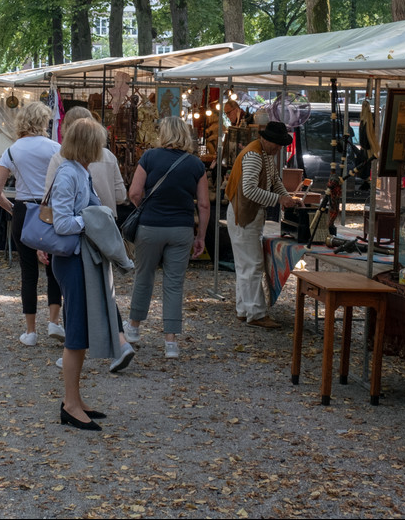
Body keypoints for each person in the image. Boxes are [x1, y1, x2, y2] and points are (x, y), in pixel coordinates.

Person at [50, 118, 128, 431]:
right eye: (98, 142)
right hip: (72, 261)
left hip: (79, 260)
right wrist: (92, 221)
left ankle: (75, 400)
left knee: (79, 335)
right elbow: (62, 224)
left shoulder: (80, 171)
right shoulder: (69, 173)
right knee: (76, 334)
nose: (102, 148)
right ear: (88, 144)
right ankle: (70, 404)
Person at [124, 115, 210, 358]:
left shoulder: (149, 157)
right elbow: (204, 205)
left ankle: (133, 328)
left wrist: (146, 207)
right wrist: (200, 235)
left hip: (150, 227)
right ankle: (170, 342)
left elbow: (134, 192)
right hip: (181, 229)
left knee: (144, 276)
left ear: (163, 134)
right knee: (174, 284)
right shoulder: (195, 164)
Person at [0, 101, 64, 347]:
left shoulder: (12, 151)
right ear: (44, 122)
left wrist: (12, 209)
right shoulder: (56, 148)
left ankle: (30, 331)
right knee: (55, 267)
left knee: (28, 271)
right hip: (49, 211)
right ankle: (54, 321)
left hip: (24, 210)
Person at [224, 120, 299, 328]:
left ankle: (244, 309)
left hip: (248, 214)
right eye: (275, 143)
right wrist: (279, 200)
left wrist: (286, 198)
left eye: (280, 144)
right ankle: (256, 313)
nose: (278, 148)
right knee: (253, 265)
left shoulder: (265, 155)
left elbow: (275, 182)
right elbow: (248, 191)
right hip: (245, 215)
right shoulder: (254, 156)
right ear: (265, 140)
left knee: (245, 265)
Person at [44, 107, 126, 214]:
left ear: (67, 129)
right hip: (106, 223)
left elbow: (49, 196)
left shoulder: (59, 157)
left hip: (72, 223)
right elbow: (121, 196)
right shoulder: (108, 156)